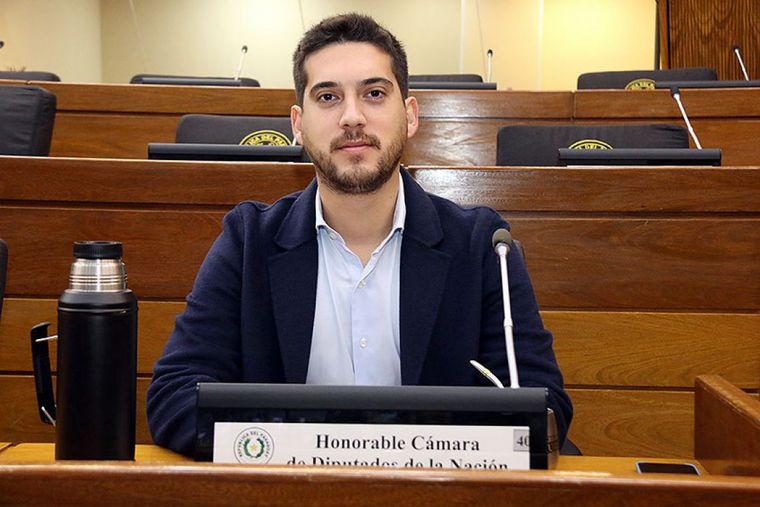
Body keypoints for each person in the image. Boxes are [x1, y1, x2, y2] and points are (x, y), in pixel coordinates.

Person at [147, 13, 572, 456]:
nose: (352, 117)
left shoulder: (482, 246)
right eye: (328, 97)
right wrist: (316, 449)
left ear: (409, 115)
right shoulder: (248, 241)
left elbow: (543, 406)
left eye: (374, 93)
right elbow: (175, 396)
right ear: (298, 125)